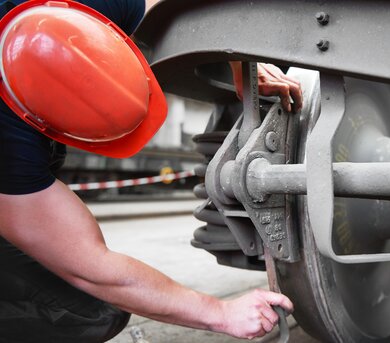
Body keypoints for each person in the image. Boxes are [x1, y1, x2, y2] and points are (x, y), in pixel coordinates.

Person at [0, 0, 301, 342]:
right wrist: (219, 314)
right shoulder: (9, 152)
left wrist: (239, 64)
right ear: (36, 121)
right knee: (86, 312)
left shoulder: (76, 12)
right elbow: (92, 269)